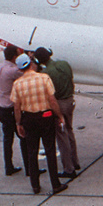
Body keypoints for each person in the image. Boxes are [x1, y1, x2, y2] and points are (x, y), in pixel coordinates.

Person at [12, 53, 65, 195]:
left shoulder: (17, 84)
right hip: (45, 116)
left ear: (19, 69)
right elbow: (52, 100)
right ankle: (55, 184)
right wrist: (59, 116)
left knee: (32, 152)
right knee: (50, 150)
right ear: (31, 63)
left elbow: (16, 107)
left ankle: (35, 185)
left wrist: (18, 123)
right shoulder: (44, 78)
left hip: (28, 118)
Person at [34, 47, 79, 179]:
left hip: (59, 104)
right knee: (69, 131)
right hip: (70, 100)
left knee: (62, 136)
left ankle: (69, 168)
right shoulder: (64, 64)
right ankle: (74, 161)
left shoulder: (46, 73)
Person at [0, 45, 23, 176]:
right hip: (11, 108)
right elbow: (26, 72)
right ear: (14, 57)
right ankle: (29, 166)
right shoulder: (13, 70)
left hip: (1, 108)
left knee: (7, 138)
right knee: (23, 136)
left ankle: (8, 166)